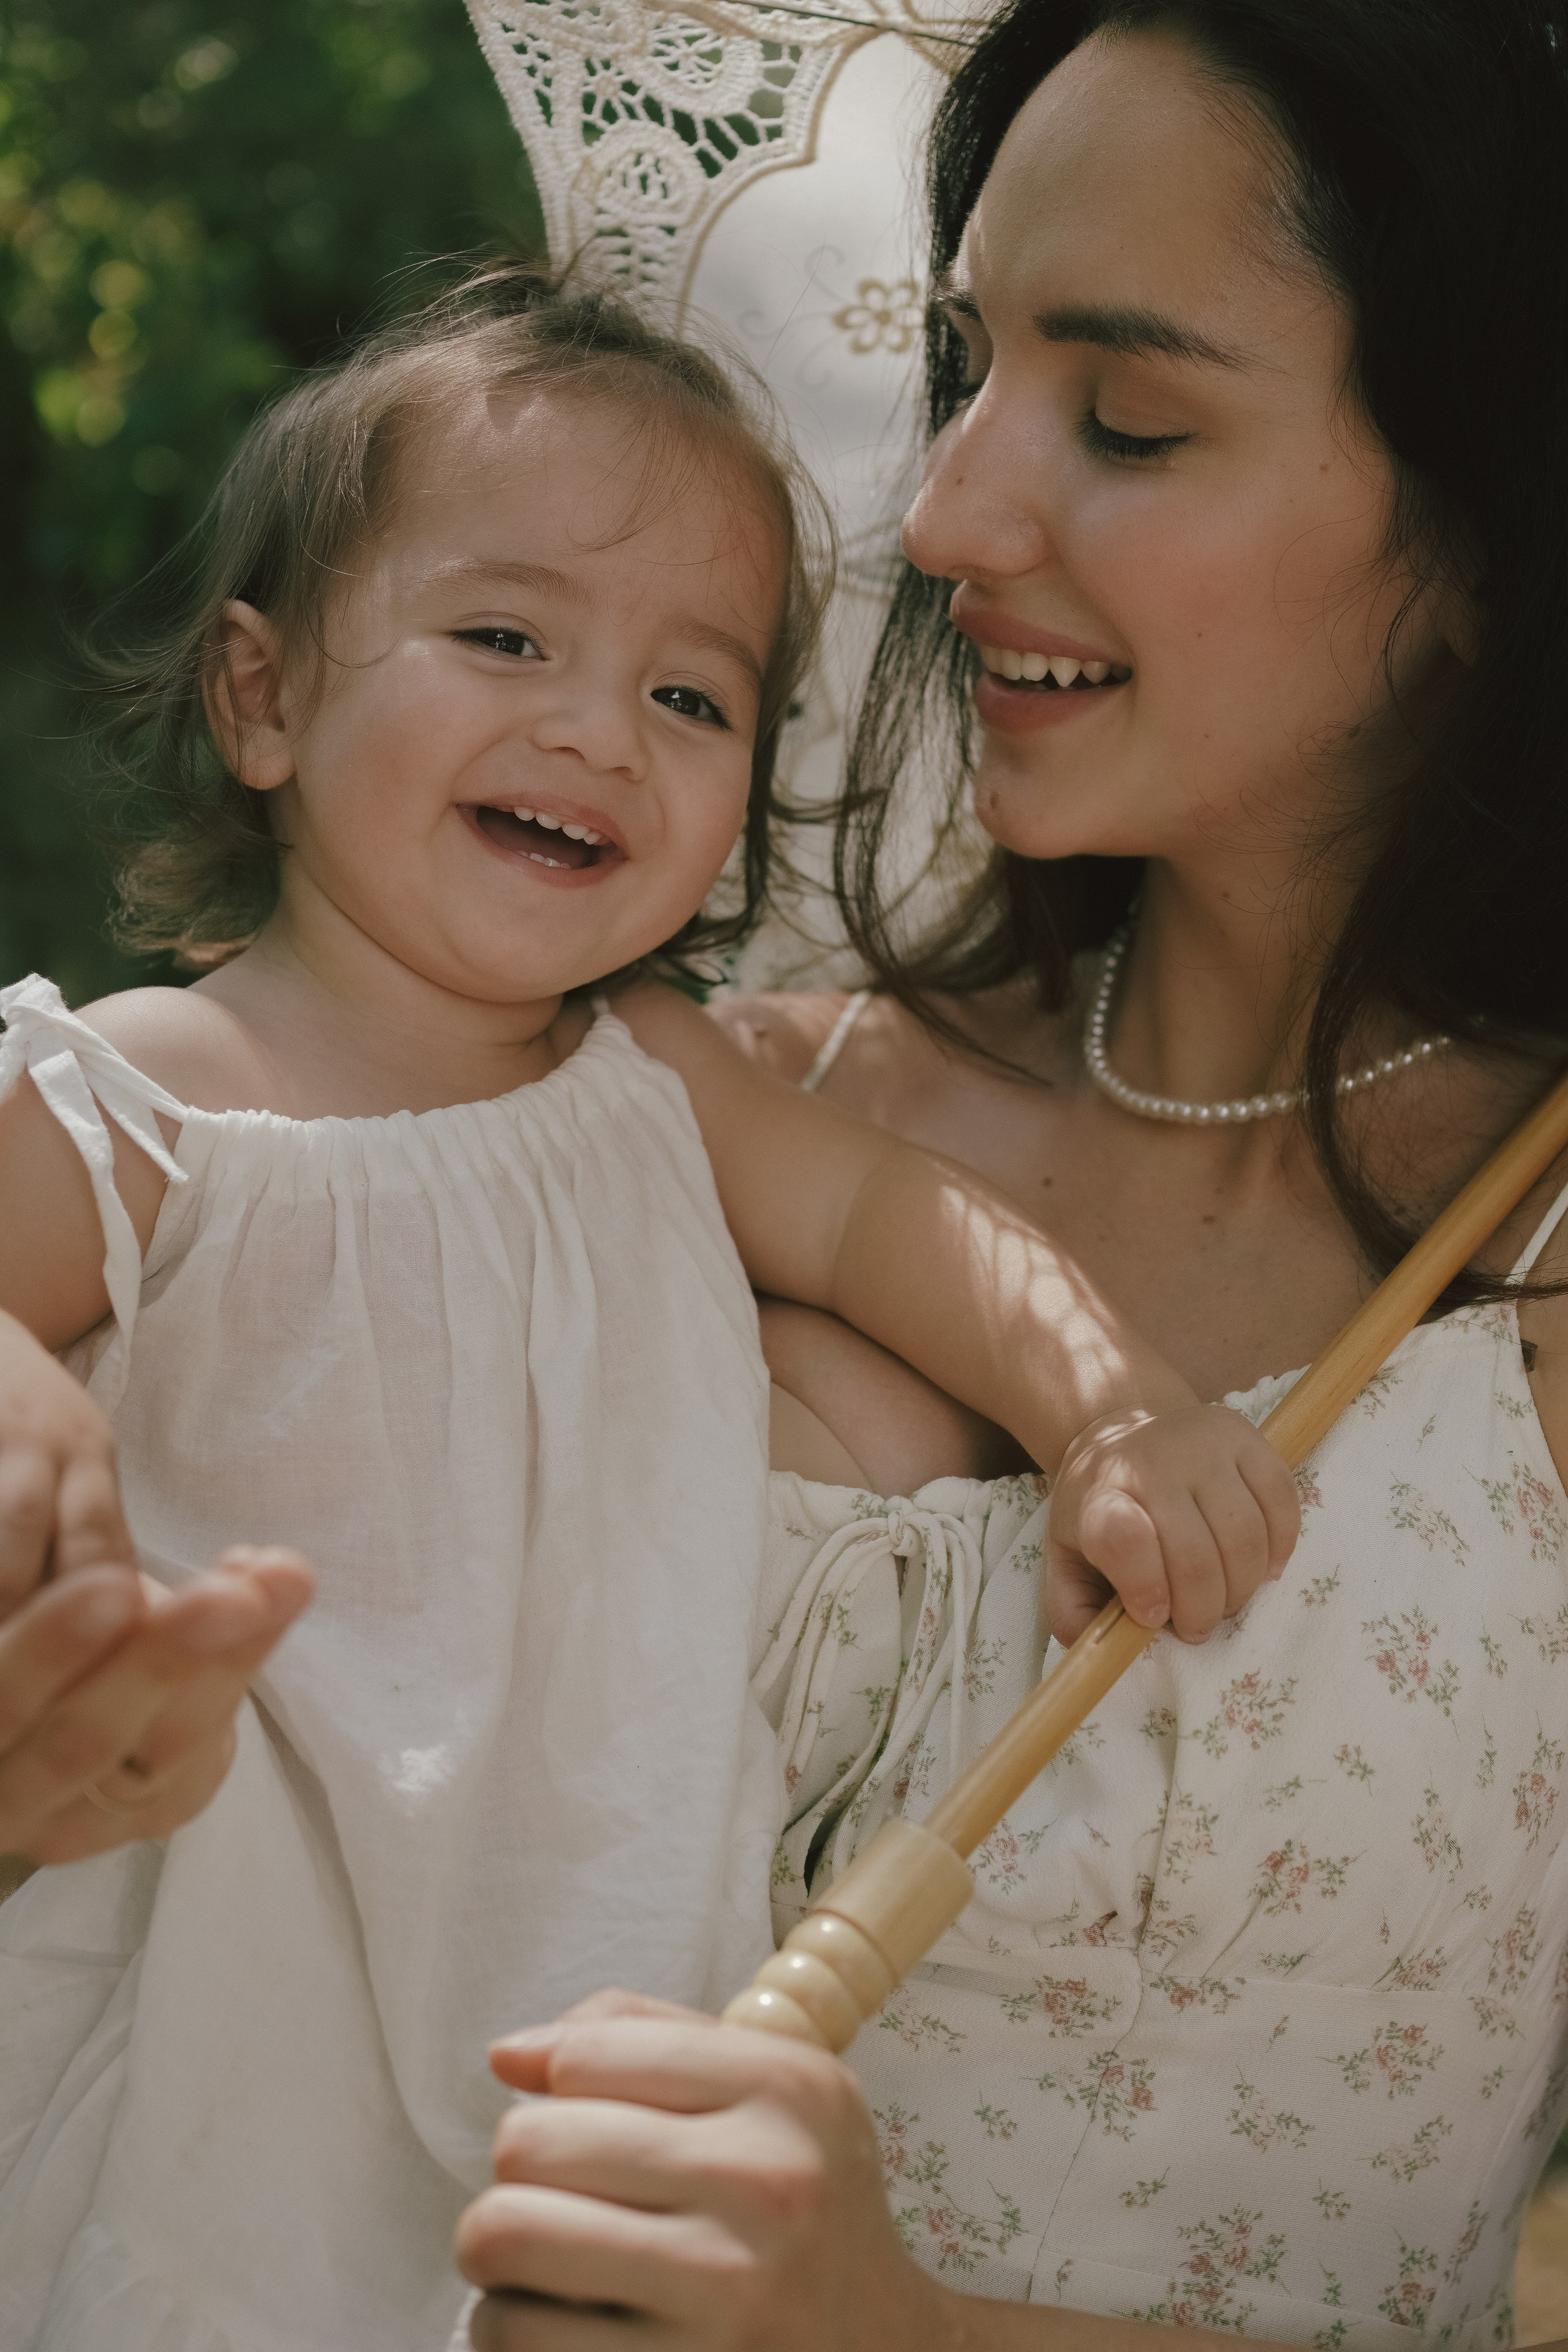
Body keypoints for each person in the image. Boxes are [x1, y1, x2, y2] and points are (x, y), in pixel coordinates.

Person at [0, 268, 1291, 2351]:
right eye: (504, 638)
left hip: (589, 1930)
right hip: (225, 1942)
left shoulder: (648, 1076)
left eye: (693, 697)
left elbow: (892, 1220)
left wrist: (1111, 1403)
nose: (601, 726)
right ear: (262, 699)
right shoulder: (160, 1094)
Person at [451, 4, 1568, 2346]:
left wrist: (896, 2329)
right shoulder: (710, 1101)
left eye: (1131, 417)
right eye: (964, 368)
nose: (947, 510)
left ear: (1485, 528)